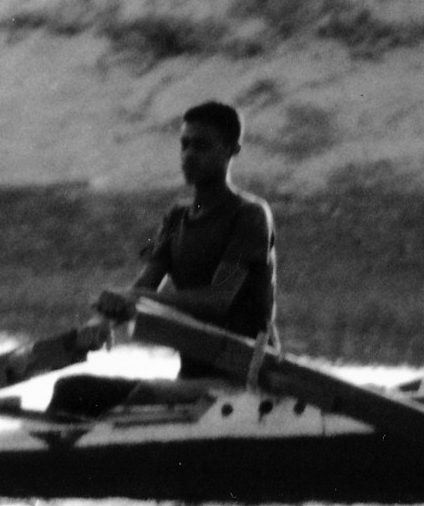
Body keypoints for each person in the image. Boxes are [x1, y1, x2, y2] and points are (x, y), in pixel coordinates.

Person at [54, 102, 276, 414]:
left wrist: (135, 298)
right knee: (71, 390)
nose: (189, 155)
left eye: (202, 145)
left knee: (79, 391)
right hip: (191, 377)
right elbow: (144, 286)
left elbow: (219, 299)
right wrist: (102, 321)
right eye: (184, 145)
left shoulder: (250, 215)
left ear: (231, 150)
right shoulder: (175, 218)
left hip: (244, 381)